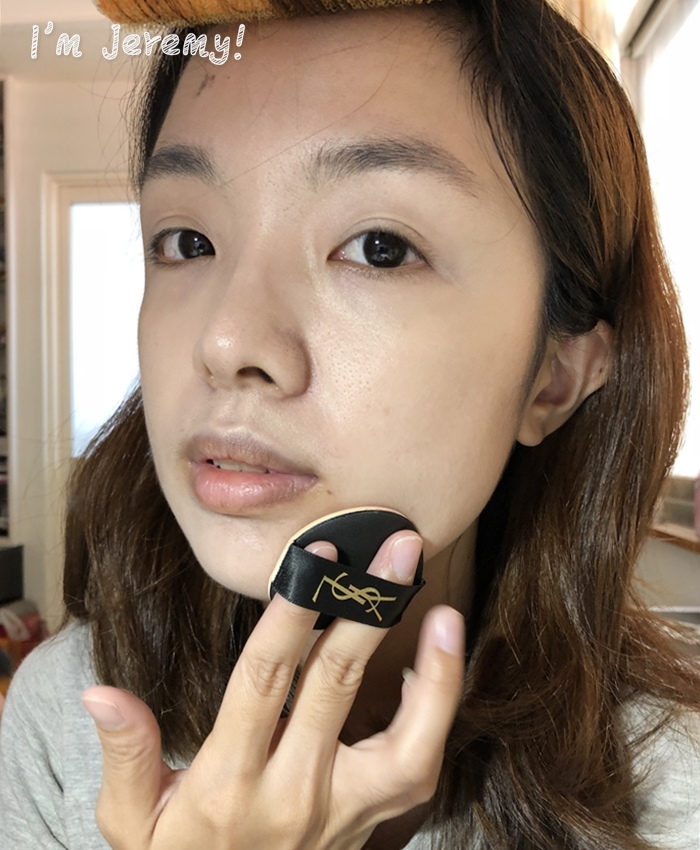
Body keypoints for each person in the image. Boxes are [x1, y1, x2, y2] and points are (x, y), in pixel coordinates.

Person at [1, 0, 699, 847]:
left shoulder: (674, 787)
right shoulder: (69, 718)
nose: (226, 343)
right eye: (186, 241)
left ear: (551, 378)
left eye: (378, 247)